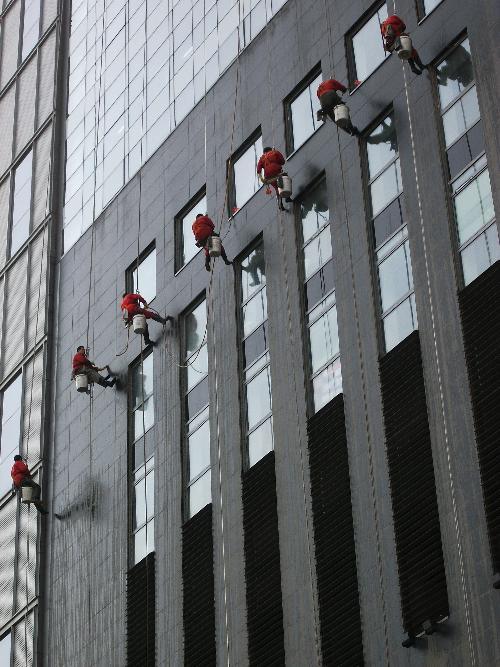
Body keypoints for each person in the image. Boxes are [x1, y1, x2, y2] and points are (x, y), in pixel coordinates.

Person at [256, 147, 289, 211]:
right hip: (277, 171)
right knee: (285, 178)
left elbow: (258, 169)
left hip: (268, 176)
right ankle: (287, 197)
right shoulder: (275, 152)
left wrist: (262, 179)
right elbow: (282, 161)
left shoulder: (262, 158)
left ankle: (280, 203)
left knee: (277, 188)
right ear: (270, 150)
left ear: (264, 152)